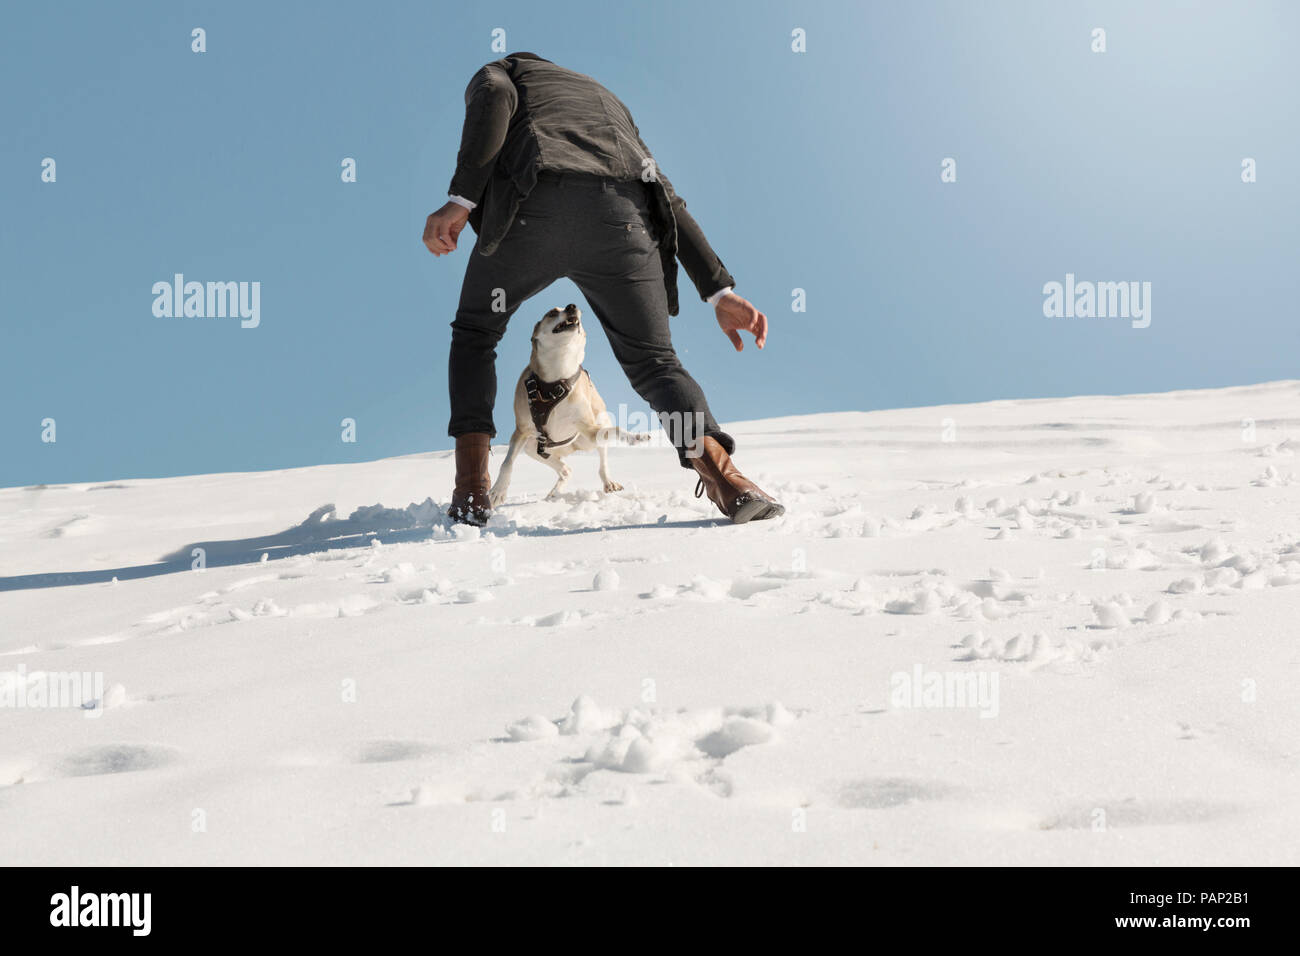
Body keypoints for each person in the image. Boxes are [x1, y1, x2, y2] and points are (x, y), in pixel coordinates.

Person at [422, 52, 784, 526]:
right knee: (655, 362)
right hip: (624, 222)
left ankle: (471, 491)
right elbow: (665, 192)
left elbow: (495, 97)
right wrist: (718, 290)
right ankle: (728, 481)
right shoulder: (608, 101)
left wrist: (461, 200)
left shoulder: (506, 70)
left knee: (475, 334)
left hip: (534, 210)